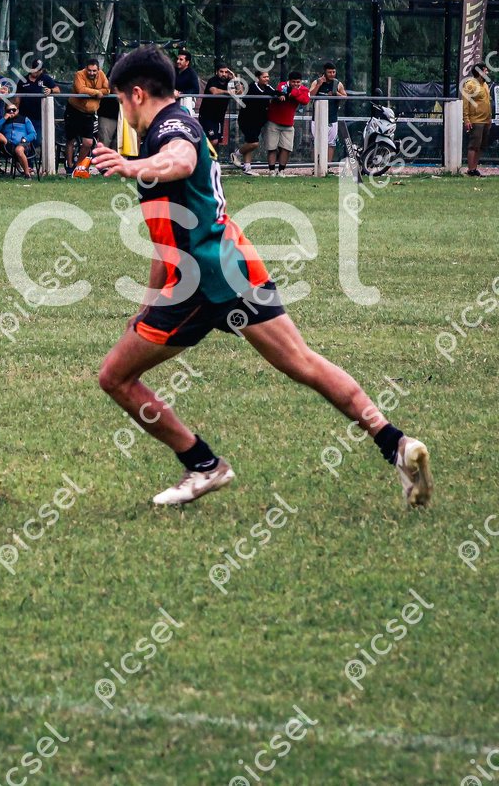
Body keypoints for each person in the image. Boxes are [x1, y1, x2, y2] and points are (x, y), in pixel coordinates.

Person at [91, 45, 432, 507]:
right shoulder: (177, 122)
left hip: (201, 280)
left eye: (119, 100)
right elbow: (164, 234)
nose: (122, 112)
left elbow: (182, 160)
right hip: (234, 263)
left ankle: (203, 464)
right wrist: (146, 304)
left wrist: (132, 165)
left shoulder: (170, 128)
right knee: (303, 362)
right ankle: (395, 443)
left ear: (135, 94)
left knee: (115, 377)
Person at [65, 59, 109, 171]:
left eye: (94, 71)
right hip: (74, 111)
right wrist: (96, 92)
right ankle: (69, 166)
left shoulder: (102, 75)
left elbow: (107, 89)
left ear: (98, 70)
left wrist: (94, 92)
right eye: (89, 70)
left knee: (88, 142)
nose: (91, 73)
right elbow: (81, 90)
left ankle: (78, 167)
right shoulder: (79, 74)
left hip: (89, 114)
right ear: (86, 69)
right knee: (70, 139)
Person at [264, 71, 310, 176]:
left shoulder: (304, 89)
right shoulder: (282, 85)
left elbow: (305, 100)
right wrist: (294, 94)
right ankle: (271, 170)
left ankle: (281, 170)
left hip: (288, 123)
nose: (296, 84)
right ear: (289, 81)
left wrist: (294, 93)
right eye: (293, 82)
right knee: (272, 147)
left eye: (298, 82)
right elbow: (281, 91)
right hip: (274, 121)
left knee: (286, 148)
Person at [233, 71, 275, 174]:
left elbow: (275, 92)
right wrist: (274, 94)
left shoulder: (267, 87)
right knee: (254, 143)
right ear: (257, 78)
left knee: (249, 142)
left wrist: (281, 94)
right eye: (264, 77)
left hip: (258, 120)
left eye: (268, 77)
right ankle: (236, 154)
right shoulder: (253, 87)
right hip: (247, 119)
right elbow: (262, 94)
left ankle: (247, 168)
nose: (267, 79)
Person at [309, 62, 347, 163]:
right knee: (317, 142)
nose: (332, 74)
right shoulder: (316, 82)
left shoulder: (337, 84)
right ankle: (317, 165)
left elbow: (345, 97)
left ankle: (327, 165)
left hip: (332, 118)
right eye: (329, 72)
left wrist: (336, 94)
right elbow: (310, 96)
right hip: (317, 118)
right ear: (325, 72)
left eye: (333, 72)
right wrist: (318, 85)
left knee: (331, 143)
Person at [462, 62, 492, 177]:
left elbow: (487, 102)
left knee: (480, 146)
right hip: (476, 120)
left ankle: (475, 168)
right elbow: (465, 103)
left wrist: (489, 119)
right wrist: (466, 119)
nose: (487, 73)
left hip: (486, 120)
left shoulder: (485, 85)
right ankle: (470, 169)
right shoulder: (470, 85)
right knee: (473, 145)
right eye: (485, 70)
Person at [198, 62, 237, 148]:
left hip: (219, 117)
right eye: (221, 71)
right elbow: (214, 91)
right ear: (217, 72)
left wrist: (234, 79)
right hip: (207, 116)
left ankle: (208, 156)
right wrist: (227, 92)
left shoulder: (230, 82)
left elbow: (240, 92)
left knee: (217, 141)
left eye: (226, 72)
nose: (224, 74)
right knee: (213, 140)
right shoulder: (212, 80)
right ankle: (201, 155)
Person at [16, 60, 60, 134]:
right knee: (24, 136)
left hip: (39, 116)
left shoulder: (46, 78)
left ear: (41, 70)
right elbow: (18, 97)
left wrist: (50, 90)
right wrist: (16, 110)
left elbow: (57, 90)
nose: (35, 71)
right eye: (34, 68)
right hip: (24, 115)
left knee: (38, 137)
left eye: (38, 70)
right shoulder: (23, 80)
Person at [0, 103, 37, 178]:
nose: (11, 112)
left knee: (18, 150)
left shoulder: (25, 119)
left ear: (17, 111)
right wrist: (4, 119)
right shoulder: (4, 121)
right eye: (9, 110)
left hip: (23, 144)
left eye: (14, 110)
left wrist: (25, 139)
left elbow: (33, 134)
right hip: (8, 145)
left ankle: (27, 174)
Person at [174, 49, 201, 115]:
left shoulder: (191, 73)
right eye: (177, 59)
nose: (177, 61)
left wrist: (181, 93)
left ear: (187, 62)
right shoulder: (173, 70)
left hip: (186, 100)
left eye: (181, 59)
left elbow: (195, 90)